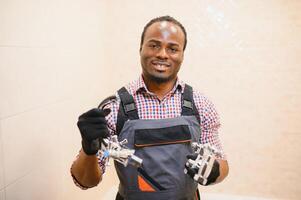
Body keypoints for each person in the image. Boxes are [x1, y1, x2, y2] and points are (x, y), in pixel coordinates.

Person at [71, 15, 229, 200]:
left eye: (173, 48)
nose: (162, 54)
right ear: (141, 49)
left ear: (182, 55)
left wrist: (214, 170)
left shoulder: (201, 104)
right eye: (154, 45)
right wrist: (88, 149)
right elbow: (85, 182)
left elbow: (222, 164)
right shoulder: (114, 108)